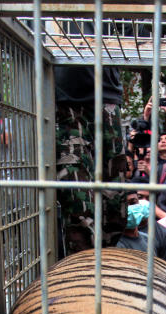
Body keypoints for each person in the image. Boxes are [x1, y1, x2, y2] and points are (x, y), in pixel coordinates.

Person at [55, 66, 126, 254]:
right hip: (65, 98)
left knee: (115, 206)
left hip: (107, 95)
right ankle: (84, 271)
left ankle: (105, 268)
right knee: (78, 201)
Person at [116, 190, 166, 264]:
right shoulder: (115, 244)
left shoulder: (148, 239)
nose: (130, 208)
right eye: (125, 205)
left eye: (133, 202)